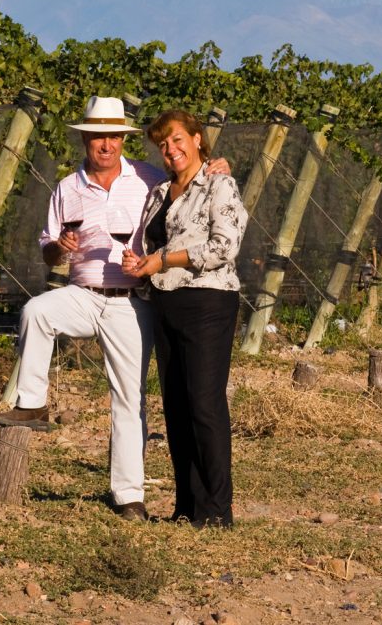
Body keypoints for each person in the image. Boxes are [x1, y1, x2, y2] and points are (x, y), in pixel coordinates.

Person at [0, 96, 226, 522]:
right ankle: (32, 401)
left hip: (131, 302)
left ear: (123, 139)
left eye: (114, 135)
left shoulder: (147, 177)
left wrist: (215, 166)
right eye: (99, 136)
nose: (107, 144)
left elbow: (189, 181)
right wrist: (57, 249)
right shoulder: (67, 188)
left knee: (128, 399)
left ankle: (129, 496)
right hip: (84, 293)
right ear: (86, 140)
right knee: (37, 311)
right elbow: (48, 251)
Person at [122, 108, 247, 528]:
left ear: (197, 139)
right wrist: (139, 263)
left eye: (177, 139)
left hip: (208, 301)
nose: (170, 149)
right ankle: (187, 505)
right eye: (163, 143)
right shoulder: (159, 193)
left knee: (205, 403)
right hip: (165, 301)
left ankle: (217, 510)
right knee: (175, 406)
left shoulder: (219, 183)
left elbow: (224, 247)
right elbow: (151, 245)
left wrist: (163, 259)